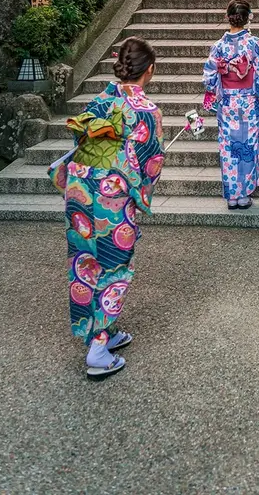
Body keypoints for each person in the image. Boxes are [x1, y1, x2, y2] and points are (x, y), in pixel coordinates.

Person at [49, 37, 164, 380]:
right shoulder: (147, 111)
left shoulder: (102, 99)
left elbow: (80, 139)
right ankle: (98, 349)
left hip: (81, 191)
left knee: (85, 261)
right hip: (113, 195)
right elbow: (151, 161)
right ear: (150, 70)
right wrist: (142, 195)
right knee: (114, 266)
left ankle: (102, 329)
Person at [203, 0, 259, 210]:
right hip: (249, 103)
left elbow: (208, 77)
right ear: (247, 17)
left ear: (228, 17)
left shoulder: (218, 47)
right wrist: (255, 85)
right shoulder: (255, 44)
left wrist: (221, 80)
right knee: (248, 146)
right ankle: (244, 194)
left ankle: (231, 196)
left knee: (229, 149)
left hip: (227, 104)